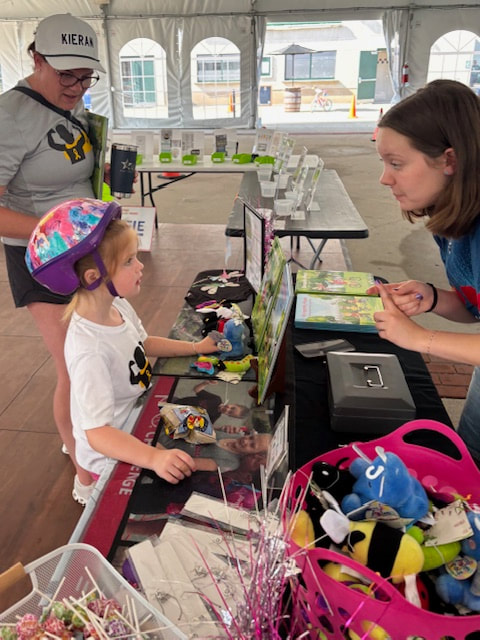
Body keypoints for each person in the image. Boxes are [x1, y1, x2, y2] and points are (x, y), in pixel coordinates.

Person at [26, 198, 220, 500]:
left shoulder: (117, 305)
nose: (140, 265)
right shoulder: (89, 350)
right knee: (194, 474)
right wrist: (153, 456)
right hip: (113, 449)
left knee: (211, 432)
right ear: (94, 278)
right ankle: (93, 492)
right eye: (129, 261)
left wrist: (196, 346)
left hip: (139, 415)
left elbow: (144, 343)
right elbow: (97, 434)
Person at [0, 13, 108, 503]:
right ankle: (86, 476)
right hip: (41, 259)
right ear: (36, 58)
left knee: (99, 353)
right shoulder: (10, 117)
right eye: (67, 75)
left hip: (86, 249)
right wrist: (60, 229)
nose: (77, 88)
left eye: (86, 77)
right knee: (76, 366)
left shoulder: (74, 104)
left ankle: (92, 436)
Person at [369, 79, 480, 462]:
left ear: (450, 161)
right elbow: (475, 308)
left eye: (396, 163)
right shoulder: (452, 218)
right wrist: (431, 298)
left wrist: (420, 338)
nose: (385, 178)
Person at [173, 379, 250, 423]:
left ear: (228, 416)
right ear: (234, 404)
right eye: (232, 408)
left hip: (179, 415)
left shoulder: (215, 416)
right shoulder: (216, 399)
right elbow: (197, 390)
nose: (227, 409)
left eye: (229, 412)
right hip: (178, 402)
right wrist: (206, 383)